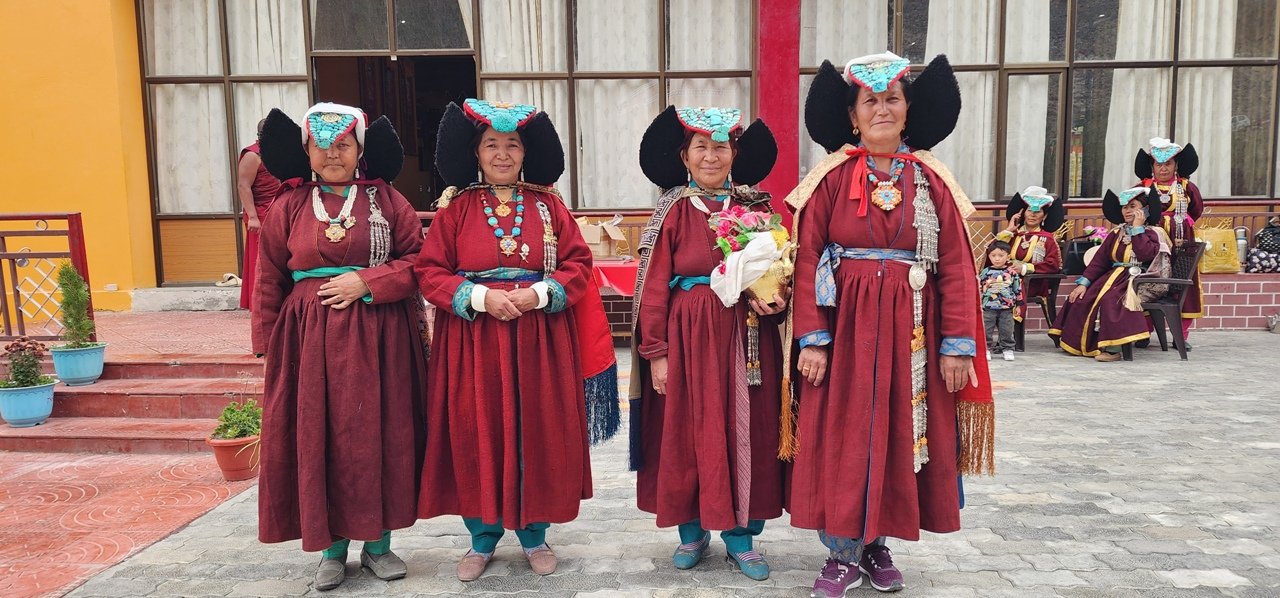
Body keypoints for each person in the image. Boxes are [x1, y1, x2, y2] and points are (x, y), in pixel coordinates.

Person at [785, 53, 995, 597]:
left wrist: (957, 345)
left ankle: (878, 544)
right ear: (853, 116)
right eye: (870, 101)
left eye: (892, 99)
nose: (882, 109)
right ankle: (841, 551)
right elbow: (806, 258)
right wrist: (813, 338)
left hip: (913, 332)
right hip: (844, 330)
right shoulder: (830, 178)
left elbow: (956, 266)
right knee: (846, 434)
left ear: (908, 110)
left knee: (900, 432)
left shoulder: (932, 180)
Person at [416, 99, 609, 581]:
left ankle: (534, 534)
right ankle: (481, 537)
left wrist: (538, 294)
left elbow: (579, 264)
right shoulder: (456, 209)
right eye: (491, 145)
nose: (502, 154)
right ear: (476, 153)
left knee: (537, 429)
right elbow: (429, 271)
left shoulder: (550, 206)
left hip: (539, 337)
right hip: (473, 342)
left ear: (525, 153)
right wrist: (480, 297)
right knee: (474, 429)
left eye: (512, 145)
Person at [252, 103, 427, 590]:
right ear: (307, 151)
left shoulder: (387, 200)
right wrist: (268, 344)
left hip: (381, 338)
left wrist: (368, 282)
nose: (333, 155)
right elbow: (268, 275)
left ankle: (378, 546)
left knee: (379, 434)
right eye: (323, 146)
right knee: (320, 437)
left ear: (359, 150)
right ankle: (331, 549)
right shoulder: (289, 205)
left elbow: (419, 261)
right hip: (308, 341)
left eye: (343, 145)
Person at [631, 106, 783, 580]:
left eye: (721, 147)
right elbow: (653, 287)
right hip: (688, 337)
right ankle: (692, 531)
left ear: (734, 153)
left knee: (748, 429)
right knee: (688, 432)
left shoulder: (757, 209)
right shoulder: (672, 211)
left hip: (748, 337)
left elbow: (780, 269)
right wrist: (657, 353)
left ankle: (742, 538)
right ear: (685, 156)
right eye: (701, 147)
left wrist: (777, 297)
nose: (711, 157)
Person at [1048, 187, 1167, 362]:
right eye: (1125, 207)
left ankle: (1113, 349)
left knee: (1111, 301)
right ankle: (1080, 343)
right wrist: (1083, 283)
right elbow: (1100, 261)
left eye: (1133, 206)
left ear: (1145, 210)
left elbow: (1144, 254)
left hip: (1140, 279)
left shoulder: (1153, 233)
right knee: (1082, 297)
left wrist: (1137, 229)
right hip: (1113, 277)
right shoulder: (1116, 233)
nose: (1127, 210)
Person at [1134, 138, 1203, 347]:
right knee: (1147, 280)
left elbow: (1196, 210)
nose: (1163, 169)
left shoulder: (1186, 187)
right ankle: (1143, 333)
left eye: (1168, 164)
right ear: (1152, 166)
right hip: (1150, 243)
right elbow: (1131, 210)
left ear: (1176, 165)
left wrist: (1175, 223)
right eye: (1158, 164)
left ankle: (1180, 335)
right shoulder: (1142, 188)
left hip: (1180, 241)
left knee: (1182, 284)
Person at [995, 186, 1064, 334]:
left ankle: (1010, 334)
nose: (1033, 215)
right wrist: (1008, 230)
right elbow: (994, 253)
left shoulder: (1047, 239)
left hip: (1032, 282)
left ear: (1044, 216)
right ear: (1022, 213)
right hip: (1006, 278)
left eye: (1037, 212)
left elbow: (1053, 265)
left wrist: (1025, 268)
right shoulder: (1014, 235)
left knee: (1010, 284)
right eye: (1029, 210)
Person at [237, 118, 284, 310]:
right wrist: (253, 217)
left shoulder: (278, 152)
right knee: (260, 258)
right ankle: (257, 301)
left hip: (278, 211)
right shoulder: (252, 154)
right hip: (261, 213)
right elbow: (243, 185)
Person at [978, 241, 1022, 361]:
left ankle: (1007, 348)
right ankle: (986, 348)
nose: (997, 259)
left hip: (1006, 307)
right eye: (993, 255)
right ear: (989, 256)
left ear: (1008, 256)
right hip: (988, 306)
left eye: (1001, 255)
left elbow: (1017, 289)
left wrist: (1018, 305)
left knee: (1007, 329)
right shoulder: (985, 272)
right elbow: (979, 288)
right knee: (986, 328)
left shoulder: (1012, 273)